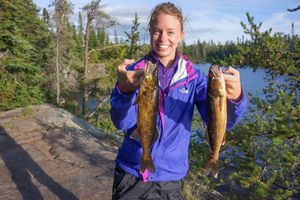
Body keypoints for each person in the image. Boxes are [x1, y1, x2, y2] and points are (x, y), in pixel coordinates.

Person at [110, 2, 247, 199]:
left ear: (181, 34)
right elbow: (120, 122)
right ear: (149, 32)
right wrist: (123, 90)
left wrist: (235, 99)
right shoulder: (135, 73)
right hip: (132, 172)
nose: (163, 38)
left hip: (171, 177)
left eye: (170, 32)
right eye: (157, 31)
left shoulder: (194, 79)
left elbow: (223, 123)